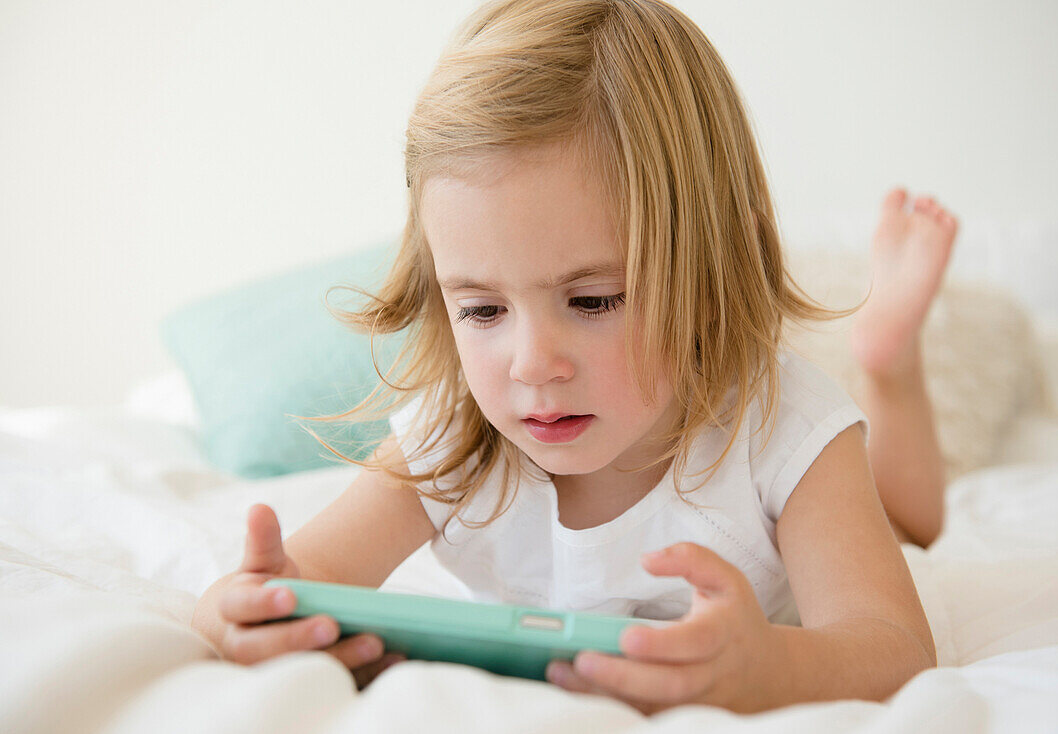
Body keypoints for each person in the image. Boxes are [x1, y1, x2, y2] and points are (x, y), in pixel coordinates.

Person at [191, 0, 957, 715]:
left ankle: (888, 365)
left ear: (718, 272)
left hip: (828, 479)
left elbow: (891, 646)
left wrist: (768, 669)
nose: (531, 364)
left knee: (906, 523)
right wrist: (255, 610)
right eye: (483, 309)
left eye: (592, 301)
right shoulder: (453, 437)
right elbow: (291, 583)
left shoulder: (786, 425)